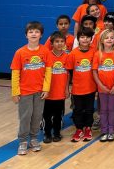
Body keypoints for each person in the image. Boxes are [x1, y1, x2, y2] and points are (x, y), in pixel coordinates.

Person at [11, 21, 52, 155]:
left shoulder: (45, 51)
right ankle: (23, 140)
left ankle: (34, 139)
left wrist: (46, 89)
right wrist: (15, 92)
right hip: (24, 92)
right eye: (31, 32)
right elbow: (15, 73)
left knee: (37, 116)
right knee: (25, 117)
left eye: (36, 32)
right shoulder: (20, 53)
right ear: (26, 35)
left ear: (41, 35)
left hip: (39, 92)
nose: (33, 34)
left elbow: (48, 71)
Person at [66, 27, 97, 142]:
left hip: (90, 87)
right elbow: (69, 72)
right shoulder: (73, 54)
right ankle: (79, 129)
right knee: (77, 110)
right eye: (82, 37)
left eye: (87, 37)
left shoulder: (94, 51)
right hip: (77, 88)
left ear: (91, 39)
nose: (85, 39)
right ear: (78, 39)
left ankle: (88, 128)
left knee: (89, 109)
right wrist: (67, 88)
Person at [93, 30, 114, 142]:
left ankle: (111, 131)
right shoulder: (97, 54)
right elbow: (94, 72)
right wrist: (100, 85)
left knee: (112, 109)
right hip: (102, 88)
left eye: (111, 37)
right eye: (107, 38)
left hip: (113, 88)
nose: (109, 39)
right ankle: (104, 130)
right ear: (101, 40)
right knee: (103, 110)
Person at [43, 31, 70, 143]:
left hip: (60, 92)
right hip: (48, 92)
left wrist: (66, 89)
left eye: (62, 41)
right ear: (52, 43)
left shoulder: (67, 56)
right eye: (57, 41)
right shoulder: (46, 55)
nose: (59, 44)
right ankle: (47, 133)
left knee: (58, 115)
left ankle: (57, 133)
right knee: (46, 115)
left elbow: (68, 74)